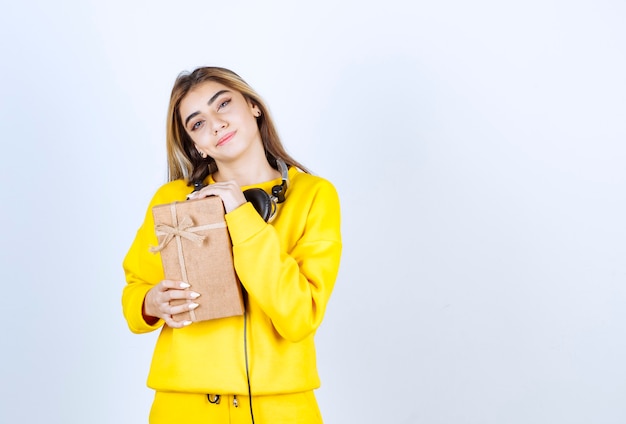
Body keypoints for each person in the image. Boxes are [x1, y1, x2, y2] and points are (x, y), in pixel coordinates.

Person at [121, 66, 342, 424]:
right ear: (196, 145)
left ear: (253, 106)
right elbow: (134, 291)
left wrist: (240, 214)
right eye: (197, 123)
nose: (216, 124)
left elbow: (300, 317)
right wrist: (151, 303)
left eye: (223, 104)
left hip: (281, 408)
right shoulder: (172, 199)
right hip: (182, 405)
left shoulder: (314, 196)